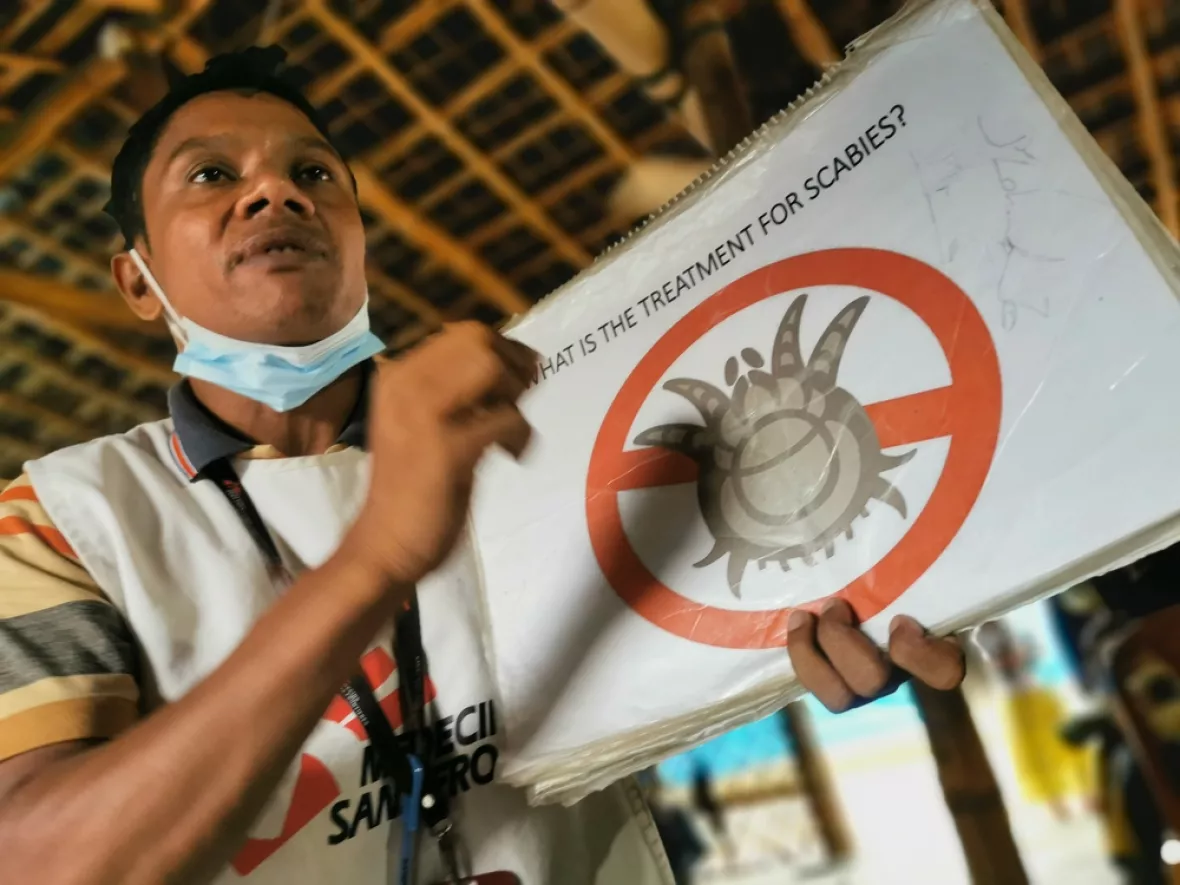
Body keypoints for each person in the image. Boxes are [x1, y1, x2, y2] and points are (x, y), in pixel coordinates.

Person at [0, 46, 963, 884]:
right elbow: (42, 863)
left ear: (358, 237)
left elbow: (687, 644)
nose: (275, 191)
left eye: (316, 174)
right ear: (138, 279)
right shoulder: (59, 516)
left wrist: (818, 634)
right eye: (210, 176)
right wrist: (377, 556)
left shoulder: (534, 433)